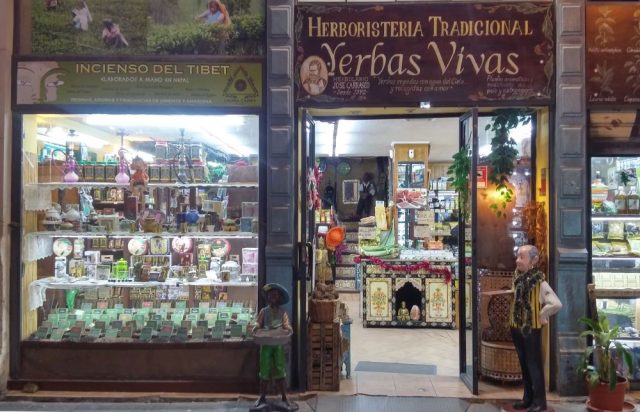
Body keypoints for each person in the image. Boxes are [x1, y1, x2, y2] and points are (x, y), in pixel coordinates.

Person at [510, 245, 562, 412]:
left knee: (534, 365)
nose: (518, 260)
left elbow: (556, 303)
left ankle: (539, 402)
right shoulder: (517, 278)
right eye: (517, 256)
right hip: (516, 327)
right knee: (524, 365)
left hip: (531, 329)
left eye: (522, 257)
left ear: (533, 261)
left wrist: (542, 315)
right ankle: (527, 398)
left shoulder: (540, 282)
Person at [254, 283, 296, 410]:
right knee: (264, 371)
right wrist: (255, 327)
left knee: (280, 370)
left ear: (279, 298)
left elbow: (286, 324)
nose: (273, 297)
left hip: (278, 343)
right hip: (266, 343)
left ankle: (284, 396)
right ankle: (262, 397)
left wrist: (288, 328)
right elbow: (258, 323)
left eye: (275, 295)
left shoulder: (282, 312)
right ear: (267, 297)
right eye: (270, 295)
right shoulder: (263, 311)